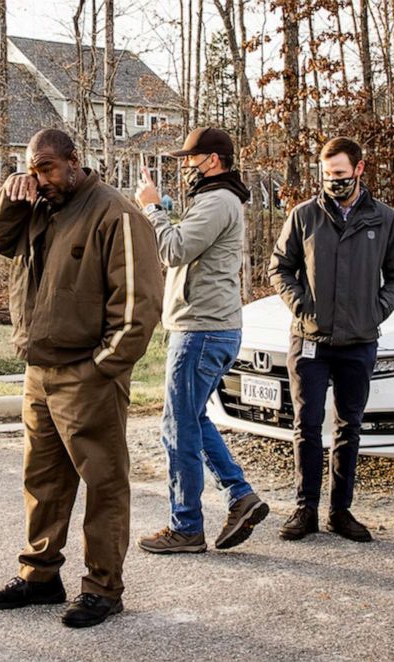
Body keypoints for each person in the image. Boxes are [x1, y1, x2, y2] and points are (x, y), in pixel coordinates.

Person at [0, 129, 163, 628]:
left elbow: (138, 308)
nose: (39, 178)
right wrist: (11, 195)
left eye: (46, 168)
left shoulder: (116, 213)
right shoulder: (38, 206)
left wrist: (100, 367)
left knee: (103, 483)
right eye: (31, 169)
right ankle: (40, 575)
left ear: (74, 161)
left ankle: (103, 587)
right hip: (39, 370)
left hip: (88, 374)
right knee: (42, 480)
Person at [134, 127, 270, 554]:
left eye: (190, 159)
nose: (186, 167)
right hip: (210, 326)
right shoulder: (216, 201)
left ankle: (186, 526)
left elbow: (173, 250)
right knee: (193, 420)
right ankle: (240, 495)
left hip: (201, 330)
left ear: (212, 160)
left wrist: (154, 209)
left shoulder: (216, 202)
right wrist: (166, 212)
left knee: (177, 427)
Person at [269, 136, 394, 543]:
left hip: (359, 342)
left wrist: (375, 310)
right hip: (310, 342)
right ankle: (305, 509)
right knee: (307, 426)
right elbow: (280, 268)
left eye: (341, 175)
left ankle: (340, 511)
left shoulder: (384, 219)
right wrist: (302, 307)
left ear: (359, 170)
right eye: (327, 175)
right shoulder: (303, 216)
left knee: (350, 427)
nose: (333, 183)